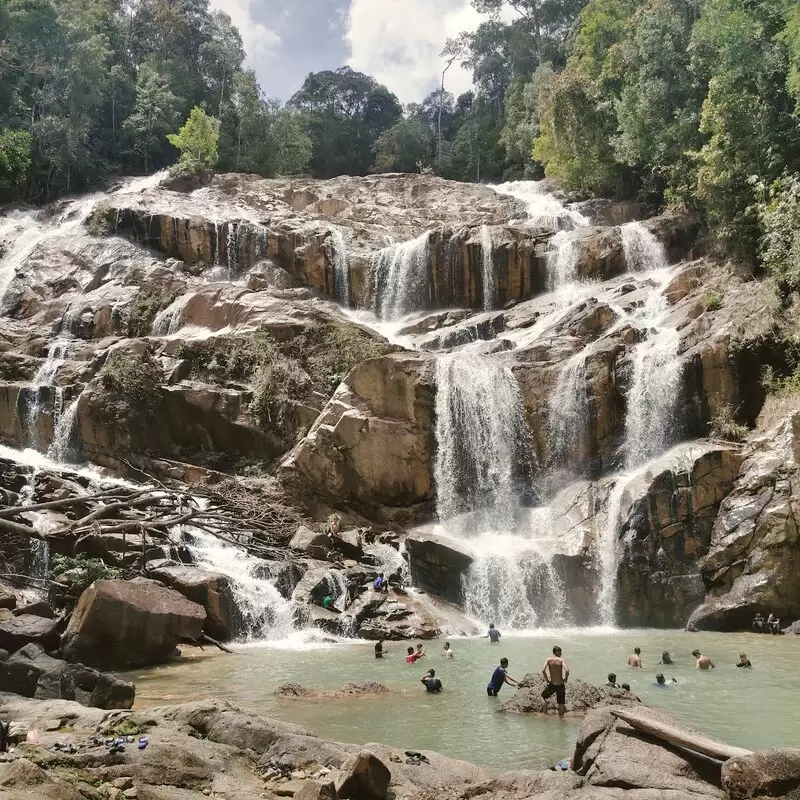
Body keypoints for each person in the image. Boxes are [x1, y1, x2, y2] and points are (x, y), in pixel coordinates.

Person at [541, 646, 569, 716]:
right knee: (561, 703)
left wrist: (547, 679)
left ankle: (545, 714)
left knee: (542, 697)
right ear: (556, 652)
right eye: (560, 652)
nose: (561, 653)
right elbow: (567, 670)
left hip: (552, 684)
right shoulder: (561, 660)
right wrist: (565, 678)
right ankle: (561, 719)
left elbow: (543, 670)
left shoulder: (548, 660)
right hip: (560, 684)